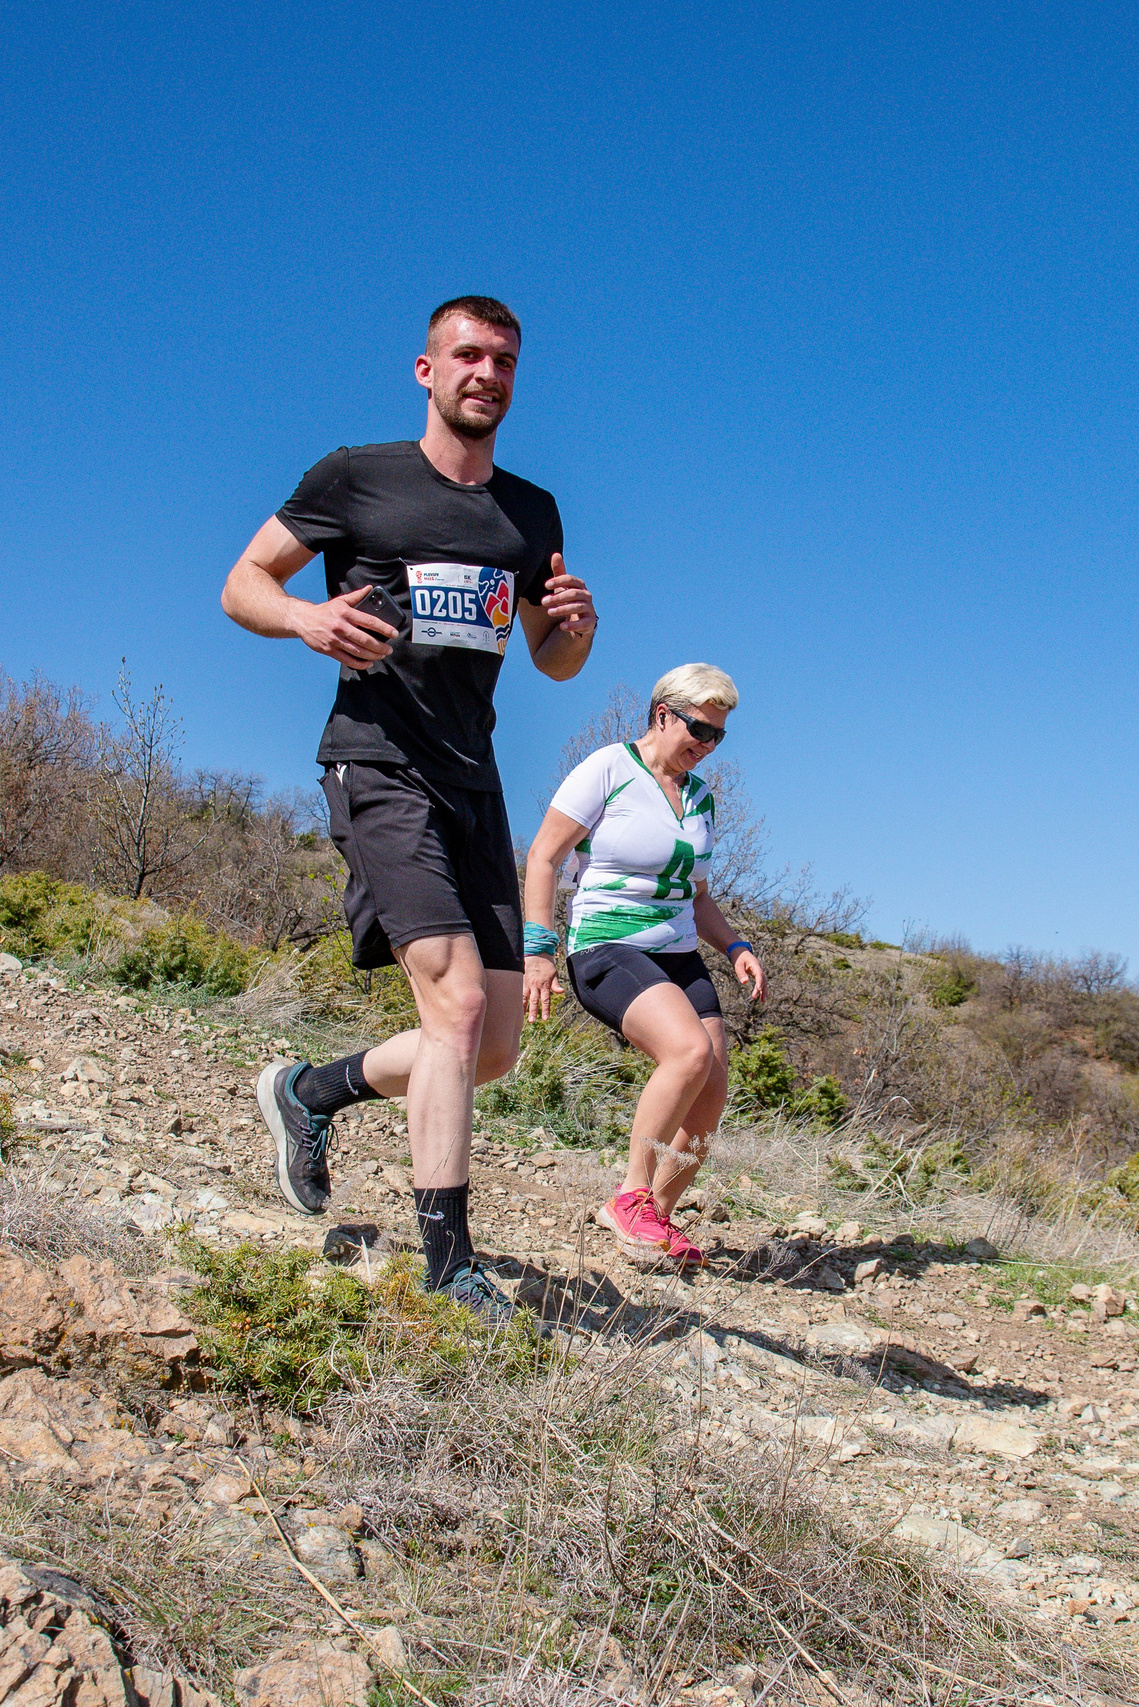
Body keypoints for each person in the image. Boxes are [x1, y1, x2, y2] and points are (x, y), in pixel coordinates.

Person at [220, 295, 596, 1322]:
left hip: (473, 778)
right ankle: (448, 1264)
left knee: (492, 1047)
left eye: (505, 360)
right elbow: (242, 582)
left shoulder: (531, 514)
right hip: (377, 762)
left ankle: (312, 1091)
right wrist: (305, 616)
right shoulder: (358, 477)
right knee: (458, 1004)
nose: (487, 372)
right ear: (426, 371)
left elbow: (553, 662)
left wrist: (577, 628)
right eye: (467, 354)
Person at [520, 664, 765, 1267]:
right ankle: (629, 1196)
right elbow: (544, 858)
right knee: (687, 1052)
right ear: (663, 714)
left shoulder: (702, 797)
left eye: (718, 737)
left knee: (710, 1091)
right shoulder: (607, 769)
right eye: (700, 730)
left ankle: (657, 1214)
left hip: (678, 950)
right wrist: (536, 949)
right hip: (607, 945)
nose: (706, 746)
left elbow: (697, 895)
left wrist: (735, 947)